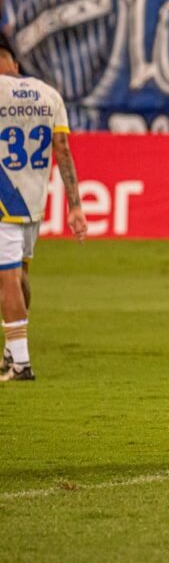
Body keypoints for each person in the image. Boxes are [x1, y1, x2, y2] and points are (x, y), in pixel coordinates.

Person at [0, 36, 87, 382]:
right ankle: (12, 352)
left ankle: (20, 362)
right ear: (15, 64)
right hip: (34, 203)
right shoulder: (49, 93)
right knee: (19, 278)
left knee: (7, 280)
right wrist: (75, 207)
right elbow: (62, 151)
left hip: (4, 200)